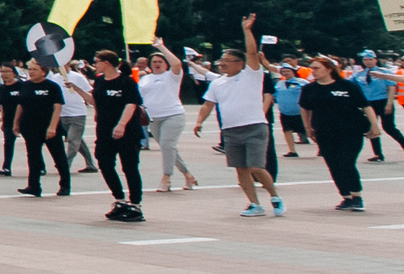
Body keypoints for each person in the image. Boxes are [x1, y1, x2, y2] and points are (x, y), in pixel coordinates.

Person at [192, 14, 282, 217]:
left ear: (240, 63)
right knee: (240, 169)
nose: (221, 64)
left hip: (255, 127)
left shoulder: (251, 75)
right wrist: (199, 121)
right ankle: (255, 204)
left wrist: (247, 30)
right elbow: (208, 105)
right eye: (220, 61)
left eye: (227, 61)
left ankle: (275, 196)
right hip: (231, 131)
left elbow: (251, 52)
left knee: (256, 167)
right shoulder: (217, 82)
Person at [298, 57, 372, 210]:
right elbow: (305, 108)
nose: (313, 71)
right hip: (325, 132)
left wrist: (374, 126)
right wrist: (307, 128)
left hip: (351, 131)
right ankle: (346, 196)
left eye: (317, 68)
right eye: (312, 68)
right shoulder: (309, 89)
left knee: (346, 161)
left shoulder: (347, 86)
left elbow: (365, 105)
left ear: (329, 69)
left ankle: (356, 196)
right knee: (333, 164)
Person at [87, 50, 148, 221]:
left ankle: (135, 205)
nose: (95, 65)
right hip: (104, 130)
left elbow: (132, 103)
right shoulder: (99, 81)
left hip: (126, 131)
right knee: (104, 162)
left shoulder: (126, 81)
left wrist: (121, 125)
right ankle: (119, 199)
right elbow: (95, 101)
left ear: (107, 63)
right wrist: (76, 88)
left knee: (129, 167)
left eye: (97, 61)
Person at [139, 42, 201, 194]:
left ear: (165, 64)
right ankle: (188, 175)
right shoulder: (144, 79)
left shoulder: (172, 76)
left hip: (173, 115)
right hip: (153, 118)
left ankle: (166, 177)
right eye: (154, 62)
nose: (157, 64)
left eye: (160, 61)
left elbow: (176, 63)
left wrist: (161, 47)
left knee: (167, 146)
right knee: (169, 149)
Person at [10, 59, 68, 196]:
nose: (31, 72)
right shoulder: (25, 86)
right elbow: (21, 105)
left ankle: (65, 185)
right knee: (33, 157)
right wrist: (16, 123)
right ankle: (34, 186)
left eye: (34, 70)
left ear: (44, 72)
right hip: (30, 127)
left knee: (59, 157)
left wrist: (52, 127)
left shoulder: (52, 87)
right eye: (30, 69)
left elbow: (57, 107)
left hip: (49, 127)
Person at [58, 60, 95, 174]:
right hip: (63, 113)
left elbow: (90, 91)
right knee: (78, 141)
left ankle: (66, 164)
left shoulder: (77, 77)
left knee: (73, 140)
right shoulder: (54, 78)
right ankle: (90, 164)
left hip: (77, 113)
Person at [274, 65, 308, 158]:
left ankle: (320, 148)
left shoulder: (302, 82)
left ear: (293, 72)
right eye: (283, 71)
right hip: (285, 112)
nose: (285, 73)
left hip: (300, 112)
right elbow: (274, 95)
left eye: (288, 71)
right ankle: (292, 150)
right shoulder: (279, 84)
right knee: (287, 131)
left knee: (308, 130)